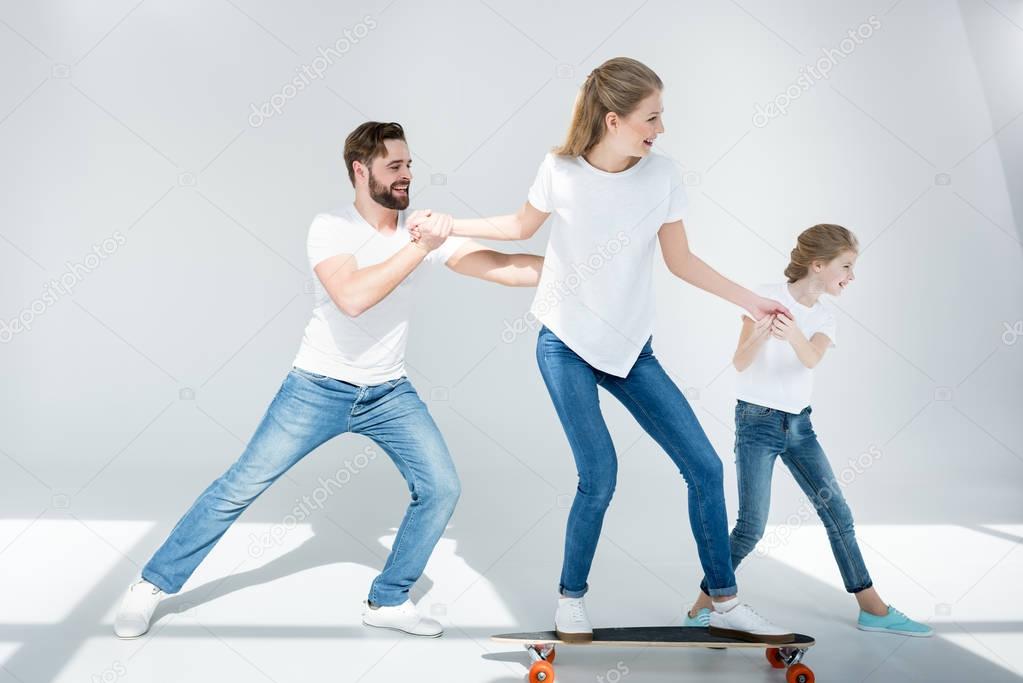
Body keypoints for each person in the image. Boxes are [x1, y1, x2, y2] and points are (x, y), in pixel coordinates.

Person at [412, 57, 795, 644]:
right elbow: (518, 228)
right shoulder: (559, 170)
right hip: (564, 344)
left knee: (705, 467)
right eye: (652, 117)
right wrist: (448, 225)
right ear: (613, 120)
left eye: (661, 117)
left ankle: (723, 601)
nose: (660, 129)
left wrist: (751, 302)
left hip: (631, 351)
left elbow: (681, 261)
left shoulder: (662, 175)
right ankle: (571, 599)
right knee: (600, 475)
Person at [113, 121, 543, 639]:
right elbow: (354, 298)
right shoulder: (331, 227)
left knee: (441, 486)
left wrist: (576, 267)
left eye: (409, 164)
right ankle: (150, 585)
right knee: (239, 486)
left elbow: (502, 265)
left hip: (389, 393)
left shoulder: (420, 228)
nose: (407, 176)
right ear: (361, 172)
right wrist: (420, 245)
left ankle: (387, 601)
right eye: (395, 166)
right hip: (316, 387)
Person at [683, 224, 933, 637]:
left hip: (800, 427)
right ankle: (699, 609)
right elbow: (741, 363)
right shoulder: (764, 295)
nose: (851, 277)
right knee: (751, 527)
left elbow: (812, 358)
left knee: (838, 515)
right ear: (818, 265)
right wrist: (762, 332)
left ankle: (872, 608)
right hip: (756, 424)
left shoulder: (825, 316)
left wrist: (793, 331)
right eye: (846, 267)